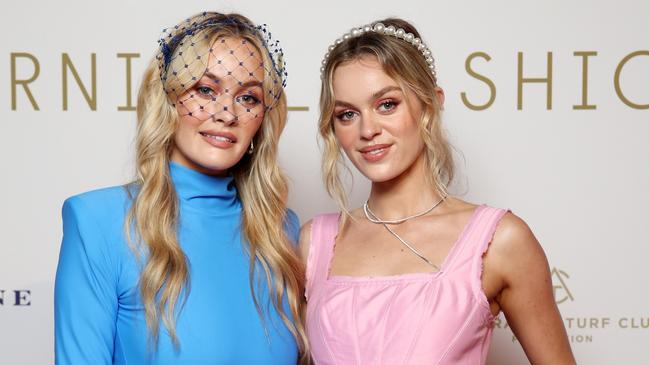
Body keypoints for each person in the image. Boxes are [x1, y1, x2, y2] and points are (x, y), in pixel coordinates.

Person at [300, 18, 576, 364]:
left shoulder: (500, 241)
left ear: (430, 103)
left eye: (387, 104)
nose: (367, 129)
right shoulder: (314, 243)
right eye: (347, 114)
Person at [55, 11, 308, 364]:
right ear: (168, 99)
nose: (227, 113)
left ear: (263, 118)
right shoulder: (98, 221)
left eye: (248, 98)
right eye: (206, 89)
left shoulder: (282, 230)